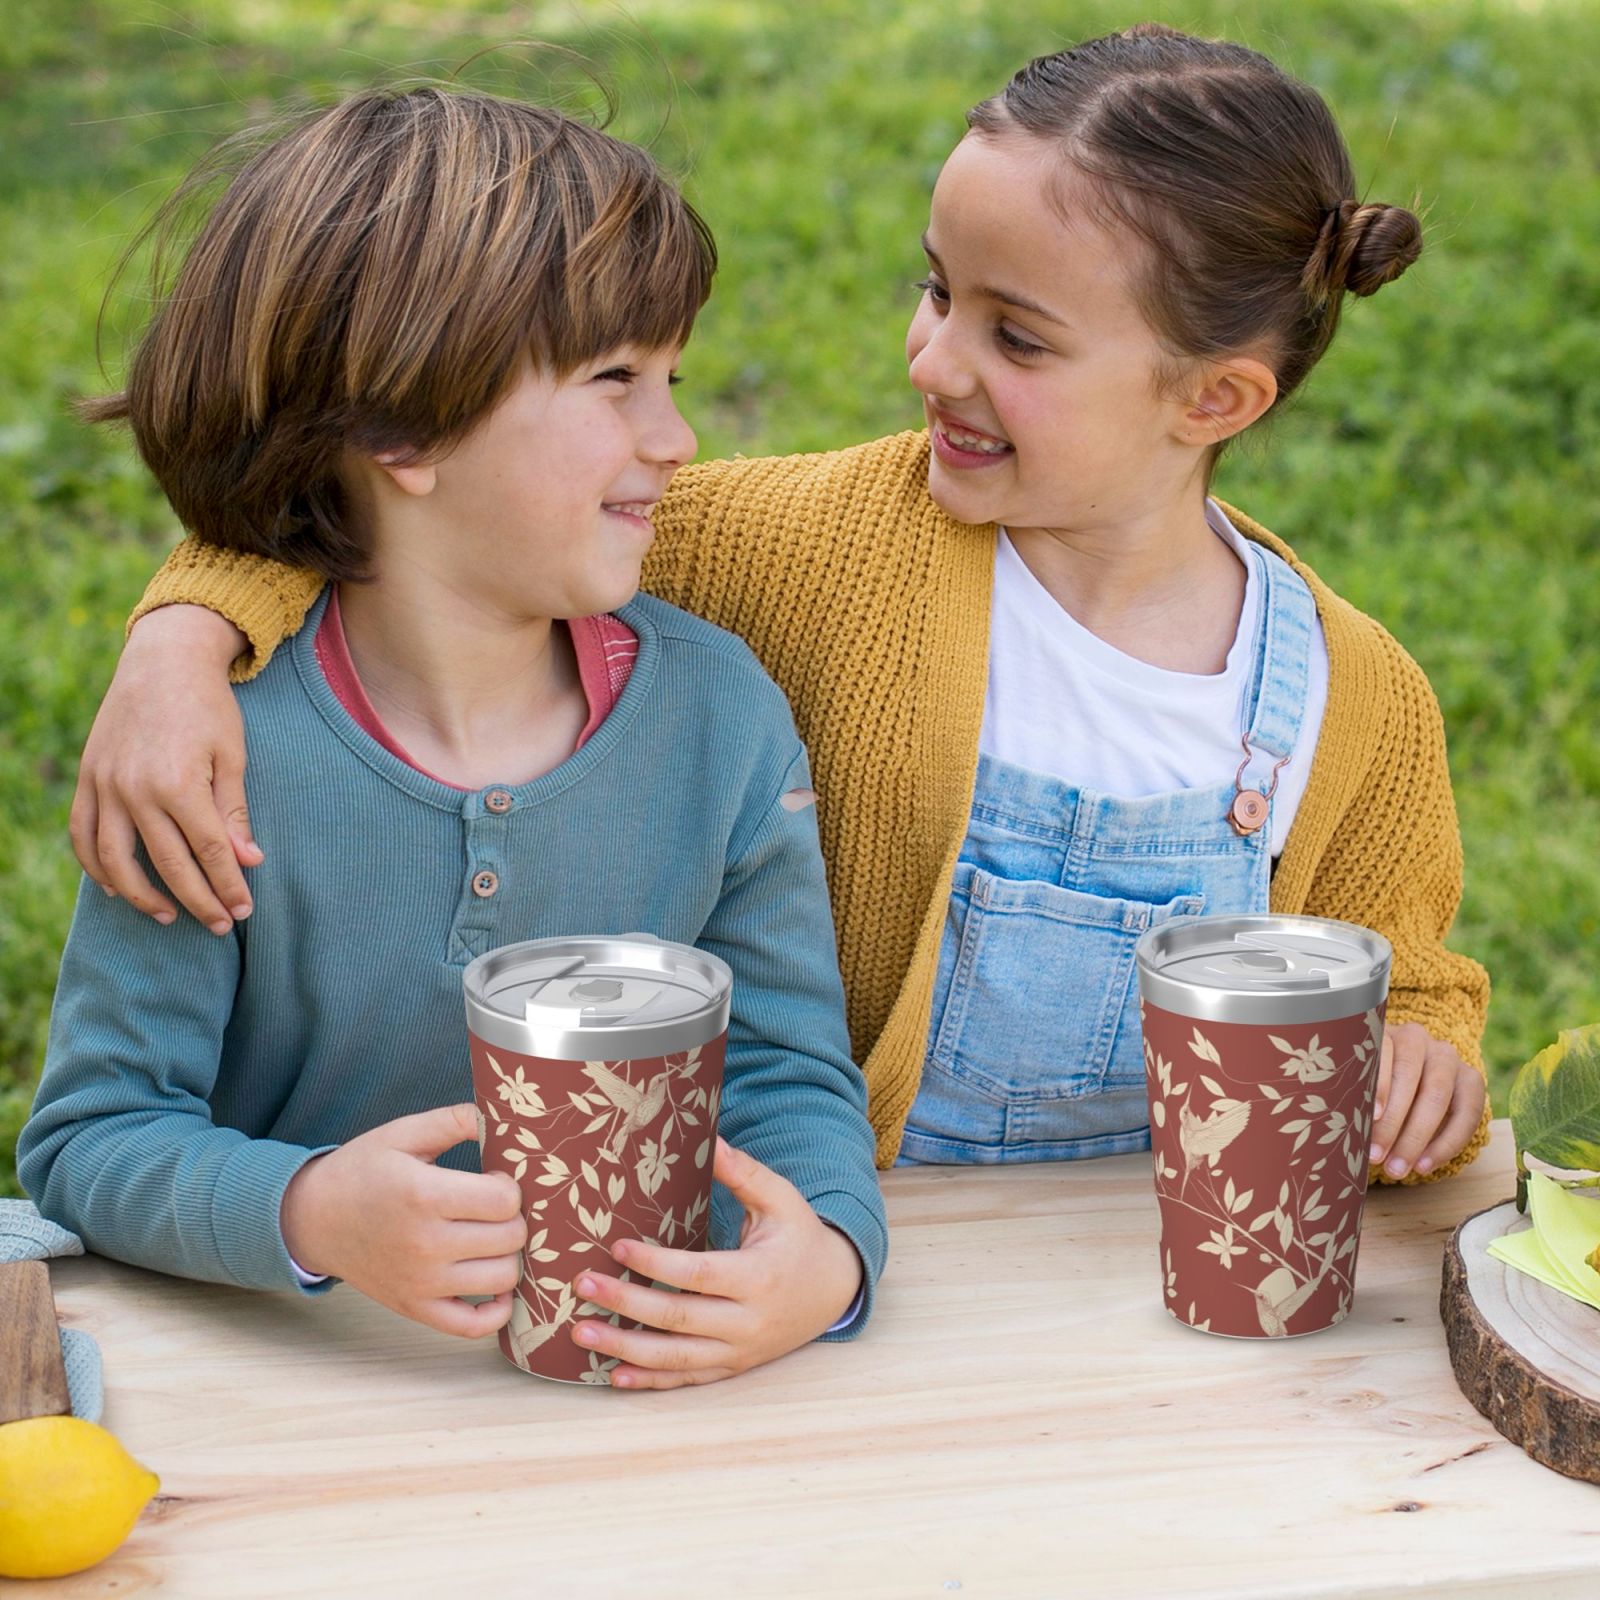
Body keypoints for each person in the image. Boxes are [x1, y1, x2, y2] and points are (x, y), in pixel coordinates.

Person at [68, 25, 1490, 1188]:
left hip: (1148, 1292)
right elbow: (422, 505)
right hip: (848, 1252)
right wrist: (185, 635)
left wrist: (1422, 1055)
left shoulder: (1353, 698)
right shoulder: (808, 546)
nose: (934, 358)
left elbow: (1404, 977)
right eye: (937, 291)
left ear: (1216, 398)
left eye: (1018, 335)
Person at [20, 86, 887, 1391]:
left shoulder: (724, 720)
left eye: (673, 379)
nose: (677, 438)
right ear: (398, 430)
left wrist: (825, 1254)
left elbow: (780, 1072)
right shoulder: (208, 757)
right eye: (614, 383)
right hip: (305, 1401)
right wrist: (312, 1211)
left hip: (634, 1405)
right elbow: (94, 1138)